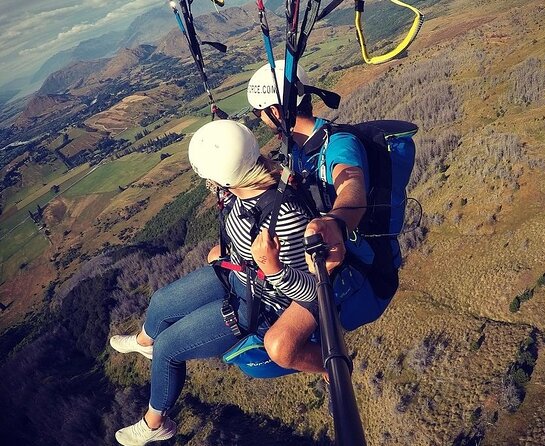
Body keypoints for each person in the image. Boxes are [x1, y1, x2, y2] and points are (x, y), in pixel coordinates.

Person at [108, 120, 322, 446]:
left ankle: (155, 423)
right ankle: (144, 340)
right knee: (161, 302)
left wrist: (272, 266)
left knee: (169, 349)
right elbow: (245, 227)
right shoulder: (251, 185)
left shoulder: (284, 216)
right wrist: (233, 252)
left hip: (257, 302)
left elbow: (312, 290)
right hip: (239, 271)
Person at [247, 61, 397, 372]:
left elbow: (351, 184)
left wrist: (336, 222)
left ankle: (334, 371)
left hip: (356, 265)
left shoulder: (338, 144)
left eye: (257, 113)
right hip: (323, 253)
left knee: (280, 346)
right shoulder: (298, 148)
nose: (259, 121)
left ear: (275, 111)